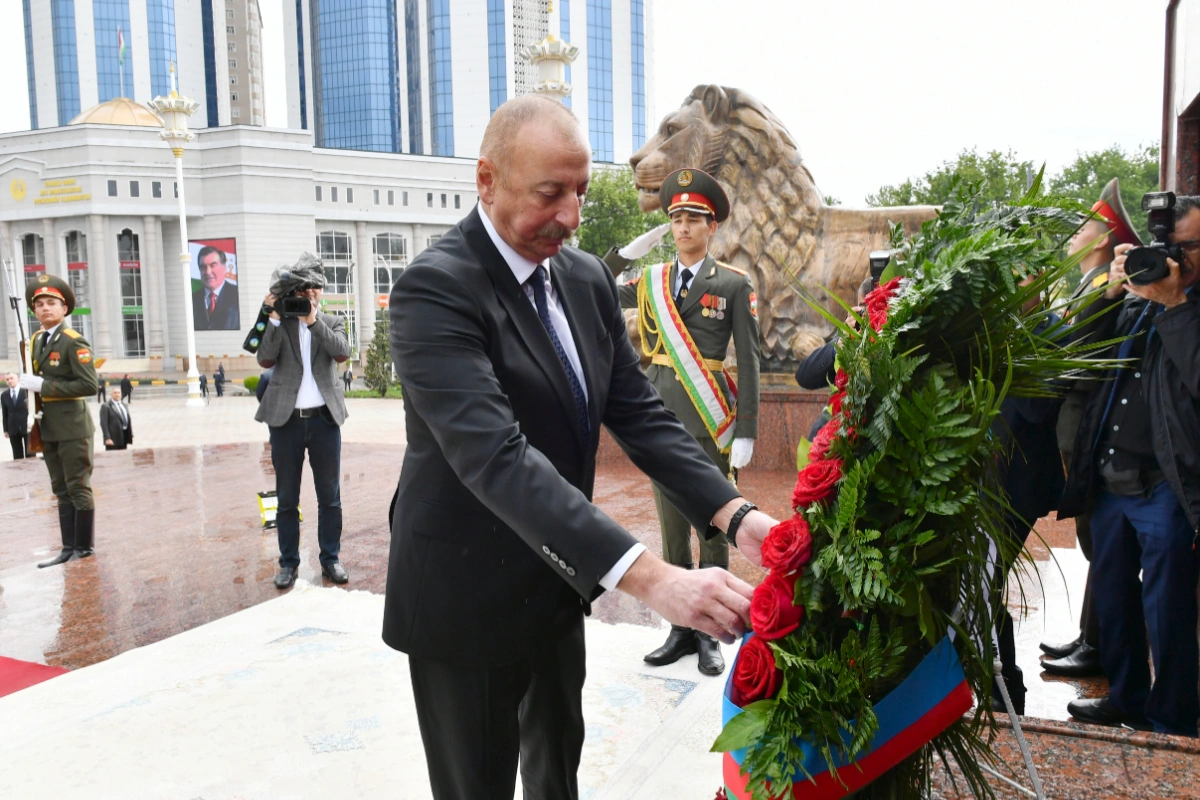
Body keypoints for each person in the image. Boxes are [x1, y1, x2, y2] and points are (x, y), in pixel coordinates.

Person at [383, 95, 777, 800]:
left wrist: (742, 520)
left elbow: (643, 415)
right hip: (464, 601)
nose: (570, 217)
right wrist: (658, 581)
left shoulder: (582, 277)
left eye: (581, 193)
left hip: (557, 581)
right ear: (486, 180)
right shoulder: (435, 290)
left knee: (557, 767)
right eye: (549, 194)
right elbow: (495, 459)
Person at [604, 167, 761, 676]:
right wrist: (627, 252)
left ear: (711, 226)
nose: (683, 227)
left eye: (694, 218)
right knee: (672, 531)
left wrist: (748, 430)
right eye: (675, 218)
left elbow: (751, 361)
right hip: (661, 418)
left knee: (714, 529)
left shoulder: (734, 284)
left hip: (713, 420)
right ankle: (679, 629)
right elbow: (598, 281)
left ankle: (711, 631)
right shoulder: (650, 281)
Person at [1058, 194, 1200, 736]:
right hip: (1111, 479)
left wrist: (1176, 306)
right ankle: (1126, 697)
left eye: (1182, 247)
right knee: (1113, 601)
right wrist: (1112, 289)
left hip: (1169, 483)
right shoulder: (1137, 297)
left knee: (1167, 612)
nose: (1170, 258)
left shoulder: (1186, 304)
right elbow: (1078, 352)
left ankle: (1171, 716)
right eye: (1163, 246)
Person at [1040, 178, 1141, 678]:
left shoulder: (1107, 286)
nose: (1073, 234)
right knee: (1092, 537)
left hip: (1089, 425)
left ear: (1103, 238)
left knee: (1099, 539)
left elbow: (1074, 343)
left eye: (1083, 226)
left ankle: (1099, 647)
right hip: (1075, 425)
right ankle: (1090, 637)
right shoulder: (1089, 284)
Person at [255, 256, 351, 589]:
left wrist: (313, 321)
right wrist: (276, 319)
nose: (309, 294)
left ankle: (331, 559)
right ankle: (288, 564)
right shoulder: (282, 324)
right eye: (303, 288)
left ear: (321, 292)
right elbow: (263, 358)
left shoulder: (331, 321)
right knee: (286, 499)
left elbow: (341, 352)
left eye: (314, 288)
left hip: (324, 421)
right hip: (286, 423)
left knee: (330, 496)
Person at [5, 274, 99, 567]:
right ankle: (68, 547)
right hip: (48, 427)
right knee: (60, 488)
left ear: (64, 308)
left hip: (73, 427)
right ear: (34, 311)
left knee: (78, 486)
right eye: (40, 304)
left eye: (52, 303)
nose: (45, 308)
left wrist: (43, 386)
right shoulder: (34, 341)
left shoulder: (73, 341)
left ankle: (83, 548)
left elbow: (89, 386)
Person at [192, 246, 241, 330]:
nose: (208, 272)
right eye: (203, 267)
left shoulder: (237, 295)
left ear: (224, 268)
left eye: (213, 265)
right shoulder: (192, 299)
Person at [2, 373, 30, 459]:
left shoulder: (26, 392)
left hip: (27, 426)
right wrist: (6, 429)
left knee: (30, 454)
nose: (9, 381)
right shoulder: (4, 395)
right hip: (13, 428)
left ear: (18, 379)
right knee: (17, 455)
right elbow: (5, 413)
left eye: (11, 378)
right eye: (7, 379)